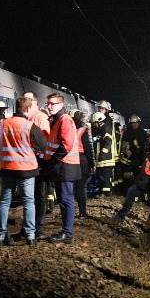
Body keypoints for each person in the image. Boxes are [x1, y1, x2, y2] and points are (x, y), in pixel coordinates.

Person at [0, 97, 47, 246]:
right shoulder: (30, 126)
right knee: (29, 202)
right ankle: (30, 236)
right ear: (28, 109)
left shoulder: (2, 124)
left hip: (7, 168)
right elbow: (42, 145)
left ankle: (0, 235)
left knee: (4, 202)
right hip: (26, 170)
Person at [43, 92, 81, 244]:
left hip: (65, 165)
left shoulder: (64, 119)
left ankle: (67, 233)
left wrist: (52, 161)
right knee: (64, 200)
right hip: (62, 166)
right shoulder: (58, 119)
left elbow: (66, 144)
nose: (50, 106)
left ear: (61, 104)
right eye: (48, 103)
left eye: (53, 104)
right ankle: (66, 231)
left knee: (66, 200)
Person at [22, 91, 53, 239]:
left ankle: (37, 228)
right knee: (29, 197)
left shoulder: (41, 118)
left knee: (38, 196)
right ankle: (29, 227)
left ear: (34, 101)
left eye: (27, 99)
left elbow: (45, 143)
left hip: (38, 163)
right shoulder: (26, 118)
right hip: (27, 162)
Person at [112, 129, 150, 226]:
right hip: (142, 181)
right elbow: (141, 163)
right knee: (130, 193)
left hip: (149, 183)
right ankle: (120, 216)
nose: (149, 139)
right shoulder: (146, 150)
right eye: (149, 137)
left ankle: (149, 226)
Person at [72, 110, 95, 218]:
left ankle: (70, 212)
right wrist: (92, 164)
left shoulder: (69, 128)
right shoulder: (84, 129)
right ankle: (82, 212)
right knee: (82, 187)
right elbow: (88, 148)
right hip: (82, 160)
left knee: (71, 187)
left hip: (70, 159)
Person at [91, 112, 116, 198]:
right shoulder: (101, 129)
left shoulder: (105, 128)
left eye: (95, 123)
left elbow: (108, 141)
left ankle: (106, 193)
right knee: (102, 176)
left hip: (106, 159)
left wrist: (103, 153)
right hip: (103, 159)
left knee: (105, 176)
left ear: (99, 121)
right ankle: (103, 192)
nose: (94, 125)